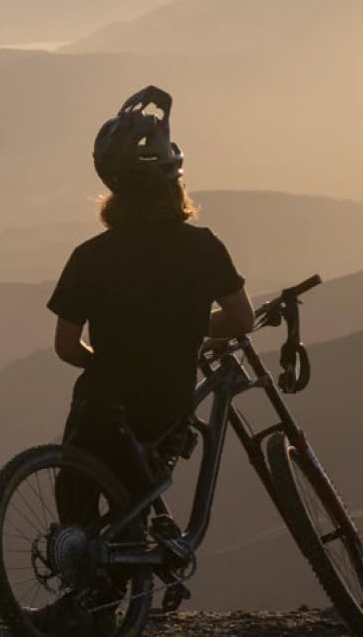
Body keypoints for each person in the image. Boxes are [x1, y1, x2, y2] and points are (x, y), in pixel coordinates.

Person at [35, 87, 255, 632]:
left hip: (102, 402)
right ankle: (112, 604)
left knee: (81, 495)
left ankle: (85, 603)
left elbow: (67, 346)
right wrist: (190, 333)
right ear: (175, 181)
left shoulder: (89, 257)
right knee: (138, 493)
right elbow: (242, 320)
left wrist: (108, 360)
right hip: (167, 403)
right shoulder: (204, 246)